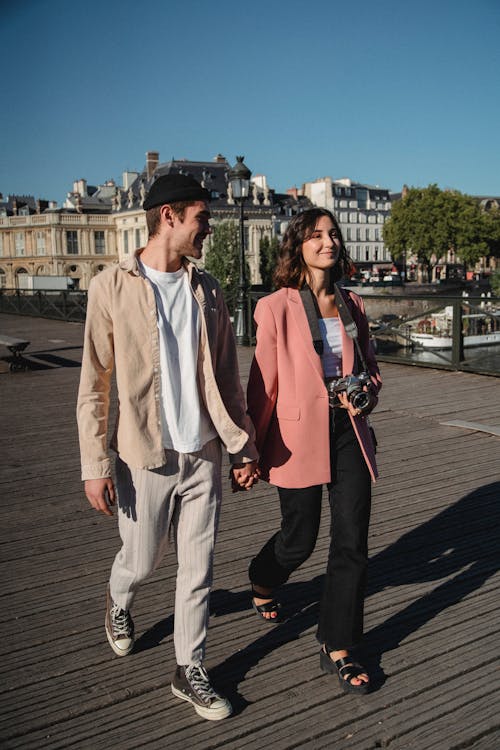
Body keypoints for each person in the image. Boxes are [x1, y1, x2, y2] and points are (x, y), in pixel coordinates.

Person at [76, 173, 259, 721]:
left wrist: (242, 447)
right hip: (144, 452)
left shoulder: (208, 288)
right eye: (202, 217)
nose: (208, 228)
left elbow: (227, 374)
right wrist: (95, 464)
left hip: (203, 450)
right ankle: (119, 599)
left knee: (197, 567)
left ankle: (190, 667)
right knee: (142, 557)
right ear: (169, 217)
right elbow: (95, 382)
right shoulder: (111, 286)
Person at [246, 208, 381, 694]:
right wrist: (248, 451)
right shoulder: (276, 307)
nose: (329, 242)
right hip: (296, 433)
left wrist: (367, 392)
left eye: (333, 235)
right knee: (298, 539)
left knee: (352, 539)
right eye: (317, 235)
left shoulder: (353, 304)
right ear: (298, 246)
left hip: (348, 428)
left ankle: (338, 644)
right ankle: (262, 579)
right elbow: (263, 385)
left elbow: (369, 364)